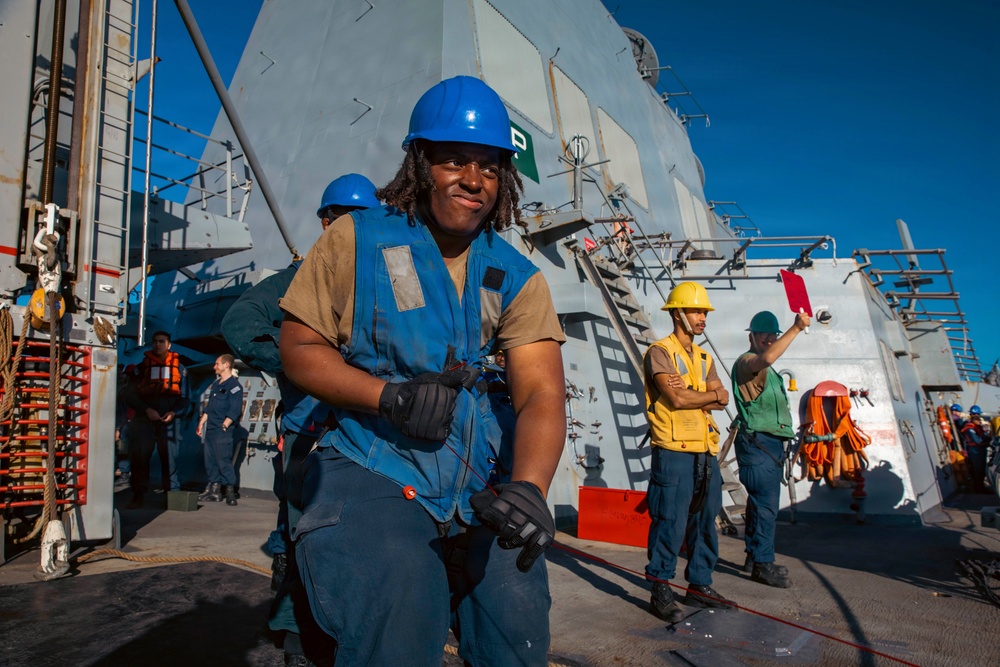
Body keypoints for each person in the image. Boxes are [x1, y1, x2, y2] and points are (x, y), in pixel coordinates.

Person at [278, 75, 566, 665]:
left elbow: (540, 392)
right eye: (454, 160)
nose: (473, 179)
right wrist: (388, 398)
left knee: (517, 624)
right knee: (397, 609)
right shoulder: (354, 242)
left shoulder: (517, 276)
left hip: (480, 478)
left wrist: (531, 488)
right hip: (373, 461)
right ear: (421, 163)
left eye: (489, 167)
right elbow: (300, 348)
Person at [220, 173, 379, 663]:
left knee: (366, 541)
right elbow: (240, 321)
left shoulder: (383, 281)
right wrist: (298, 364)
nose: (351, 227)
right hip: (312, 438)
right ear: (325, 222)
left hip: (368, 438)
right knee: (304, 537)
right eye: (343, 218)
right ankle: (298, 641)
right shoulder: (299, 278)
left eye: (362, 219)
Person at [642, 281, 732, 623]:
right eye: (696, 311)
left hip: (705, 451)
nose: (702, 318)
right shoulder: (660, 352)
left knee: (705, 521)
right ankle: (660, 586)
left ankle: (699, 585)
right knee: (670, 521)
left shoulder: (704, 357)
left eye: (704, 312)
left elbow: (723, 398)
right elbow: (677, 399)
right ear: (677, 313)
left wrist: (701, 393)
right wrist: (707, 394)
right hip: (673, 450)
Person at [731, 310, 809, 588]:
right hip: (758, 443)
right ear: (751, 336)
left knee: (758, 504)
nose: (768, 338)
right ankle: (763, 565)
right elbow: (766, 358)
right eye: (763, 333)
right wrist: (796, 328)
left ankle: (754, 557)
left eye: (772, 334)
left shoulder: (770, 372)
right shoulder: (747, 362)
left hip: (770, 445)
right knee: (766, 506)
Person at [125, 330, 190, 509]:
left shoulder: (181, 370)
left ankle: (172, 497)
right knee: (140, 458)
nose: (157, 344)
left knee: (170, 459)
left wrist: (173, 412)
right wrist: (146, 409)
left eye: (161, 341)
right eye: (154, 341)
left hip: (168, 421)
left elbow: (185, 398)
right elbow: (129, 395)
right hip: (145, 420)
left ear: (169, 345)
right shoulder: (141, 368)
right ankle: (138, 495)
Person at [195, 354, 244, 506]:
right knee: (210, 461)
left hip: (222, 430)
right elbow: (209, 407)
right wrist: (201, 423)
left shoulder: (235, 386)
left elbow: (235, 410)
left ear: (226, 365)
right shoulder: (216, 385)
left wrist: (224, 425)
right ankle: (214, 490)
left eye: (217, 364)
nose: (214, 367)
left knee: (223, 461)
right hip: (210, 429)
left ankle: (229, 491)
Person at [961, 405, 988, 493]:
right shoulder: (970, 428)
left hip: (980, 450)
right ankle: (978, 488)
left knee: (981, 469)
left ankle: (981, 487)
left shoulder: (979, 427)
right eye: (974, 414)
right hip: (975, 450)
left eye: (977, 414)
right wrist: (986, 440)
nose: (976, 416)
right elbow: (977, 440)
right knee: (977, 469)